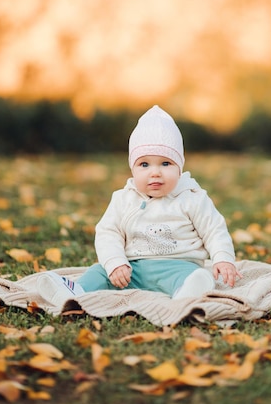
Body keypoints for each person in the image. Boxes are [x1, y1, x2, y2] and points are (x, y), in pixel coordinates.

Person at [37, 105, 242, 307]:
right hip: (131, 270)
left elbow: (214, 230)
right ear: (132, 168)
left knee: (198, 276)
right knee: (98, 272)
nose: (155, 172)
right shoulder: (123, 199)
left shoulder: (192, 197)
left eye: (165, 163)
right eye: (144, 164)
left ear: (180, 168)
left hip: (178, 267)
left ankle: (188, 293)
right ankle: (74, 292)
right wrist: (116, 263)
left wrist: (223, 259)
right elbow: (108, 232)